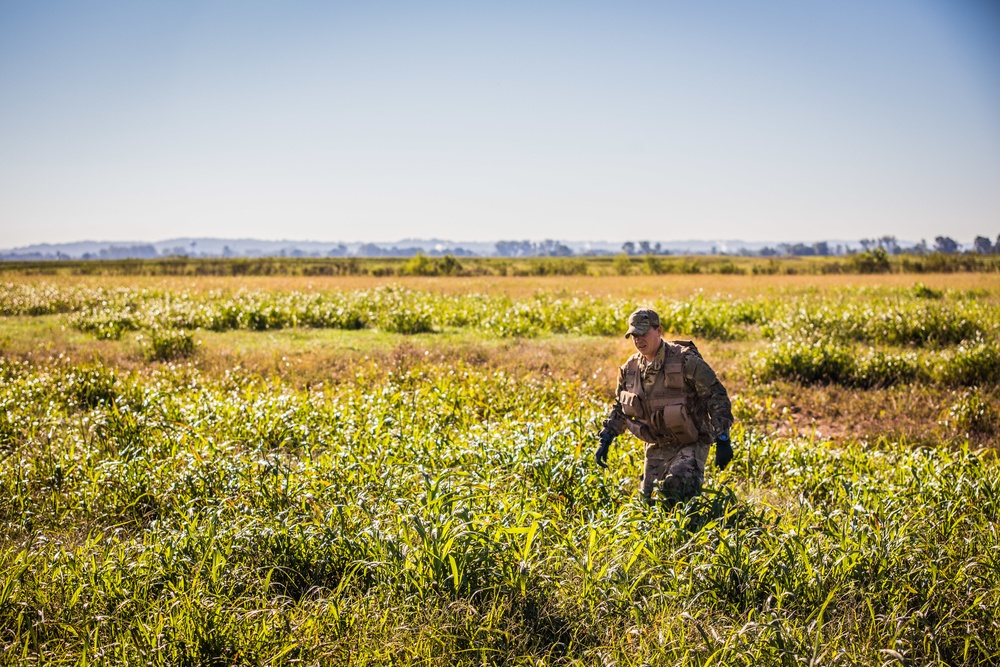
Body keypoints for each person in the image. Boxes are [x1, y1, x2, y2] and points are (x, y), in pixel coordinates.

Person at [595, 308, 734, 504]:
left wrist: (723, 439)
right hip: (657, 444)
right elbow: (621, 406)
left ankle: (694, 529)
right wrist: (606, 437)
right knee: (649, 504)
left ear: (658, 330)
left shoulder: (685, 360)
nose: (638, 339)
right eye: (633, 335)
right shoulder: (631, 368)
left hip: (691, 441)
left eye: (643, 333)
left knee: (676, 488)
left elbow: (716, 395)